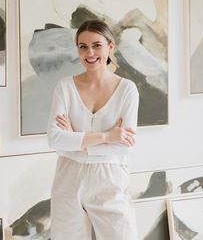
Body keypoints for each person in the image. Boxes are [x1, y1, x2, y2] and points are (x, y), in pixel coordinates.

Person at [47, 19, 139, 240]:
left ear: (110, 46)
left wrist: (75, 142)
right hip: (69, 178)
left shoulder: (127, 89)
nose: (90, 52)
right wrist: (107, 136)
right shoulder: (65, 86)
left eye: (97, 45)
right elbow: (54, 139)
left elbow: (123, 146)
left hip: (109, 178)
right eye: (83, 46)